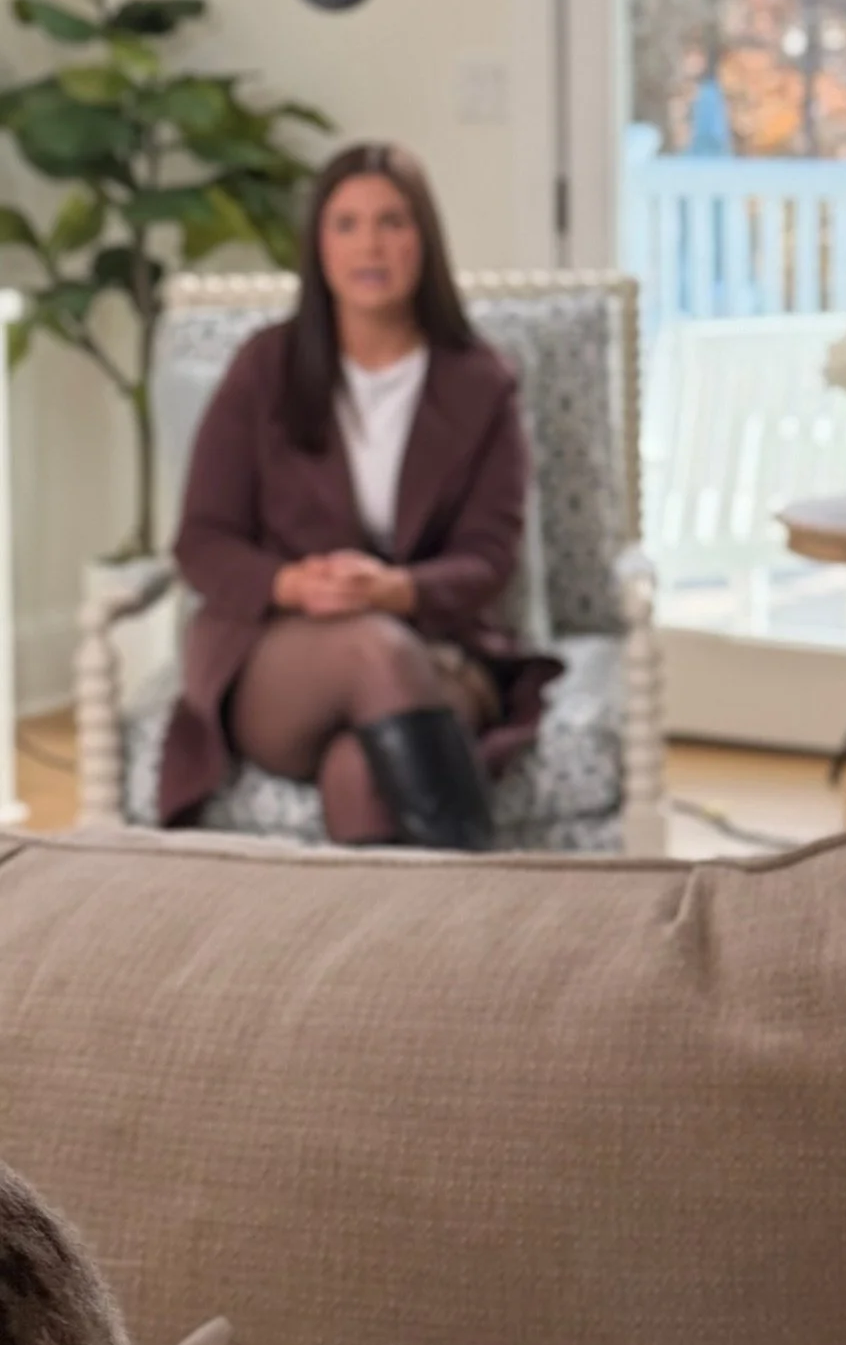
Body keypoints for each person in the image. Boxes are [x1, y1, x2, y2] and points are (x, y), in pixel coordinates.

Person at [159, 141, 558, 849]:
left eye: (392, 222)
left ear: (424, 240)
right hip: (279, 659)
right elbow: (202, 539)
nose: (369, 245)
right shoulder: (265, 367)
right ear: (319, 245)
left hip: (440, 648)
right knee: (371, 652)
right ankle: (494, 910)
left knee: (359, 773)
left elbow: (489, 556)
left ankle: (409, 962)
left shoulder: (481, 381)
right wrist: (291, 583)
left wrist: (398, 590)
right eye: (346, 224)